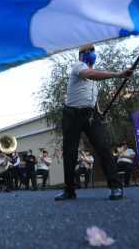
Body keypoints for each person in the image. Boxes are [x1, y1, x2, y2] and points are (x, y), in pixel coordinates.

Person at [55, 44, 133, 201]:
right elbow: (89, 74)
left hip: (90, 115)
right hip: (72, 115)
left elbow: (92, 98)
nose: (91, 53)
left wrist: (99, 111)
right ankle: (69, 190)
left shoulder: (94, 77)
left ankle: (115, 186)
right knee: (70, 152)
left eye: (93, 51)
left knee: (104, 147)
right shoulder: (79, 66)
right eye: (87, 51)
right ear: (80, 55)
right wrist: (118, 74)